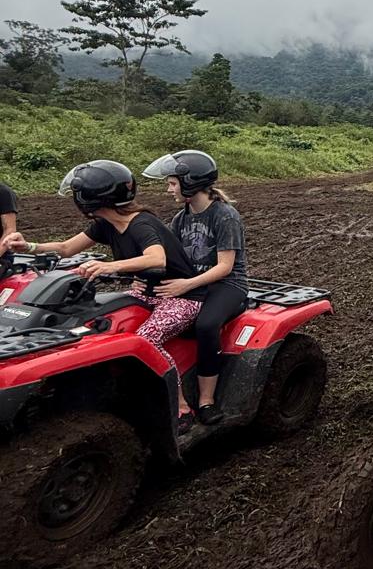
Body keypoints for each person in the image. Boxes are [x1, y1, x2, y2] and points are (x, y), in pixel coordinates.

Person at [0, 160, 201, 423]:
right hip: (147, 291)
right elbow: (65, 248)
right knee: (97, 325)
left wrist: (109, 266)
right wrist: (29, 246)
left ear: (89, 200)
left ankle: (181, 407)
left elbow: (157, 259)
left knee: (146, 340)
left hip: (182, 296)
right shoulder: (105, 224)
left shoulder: (141, 223)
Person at [143, 150, 248, 425]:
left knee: (205, 325)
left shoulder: (224, 215)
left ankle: (206, 401)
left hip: (228, 285)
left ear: (191, 183)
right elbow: (170, 259)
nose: (169, 189)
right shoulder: (181, 218)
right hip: (195, 283)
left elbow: (225, 266)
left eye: (172, 183)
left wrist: (185, 285)